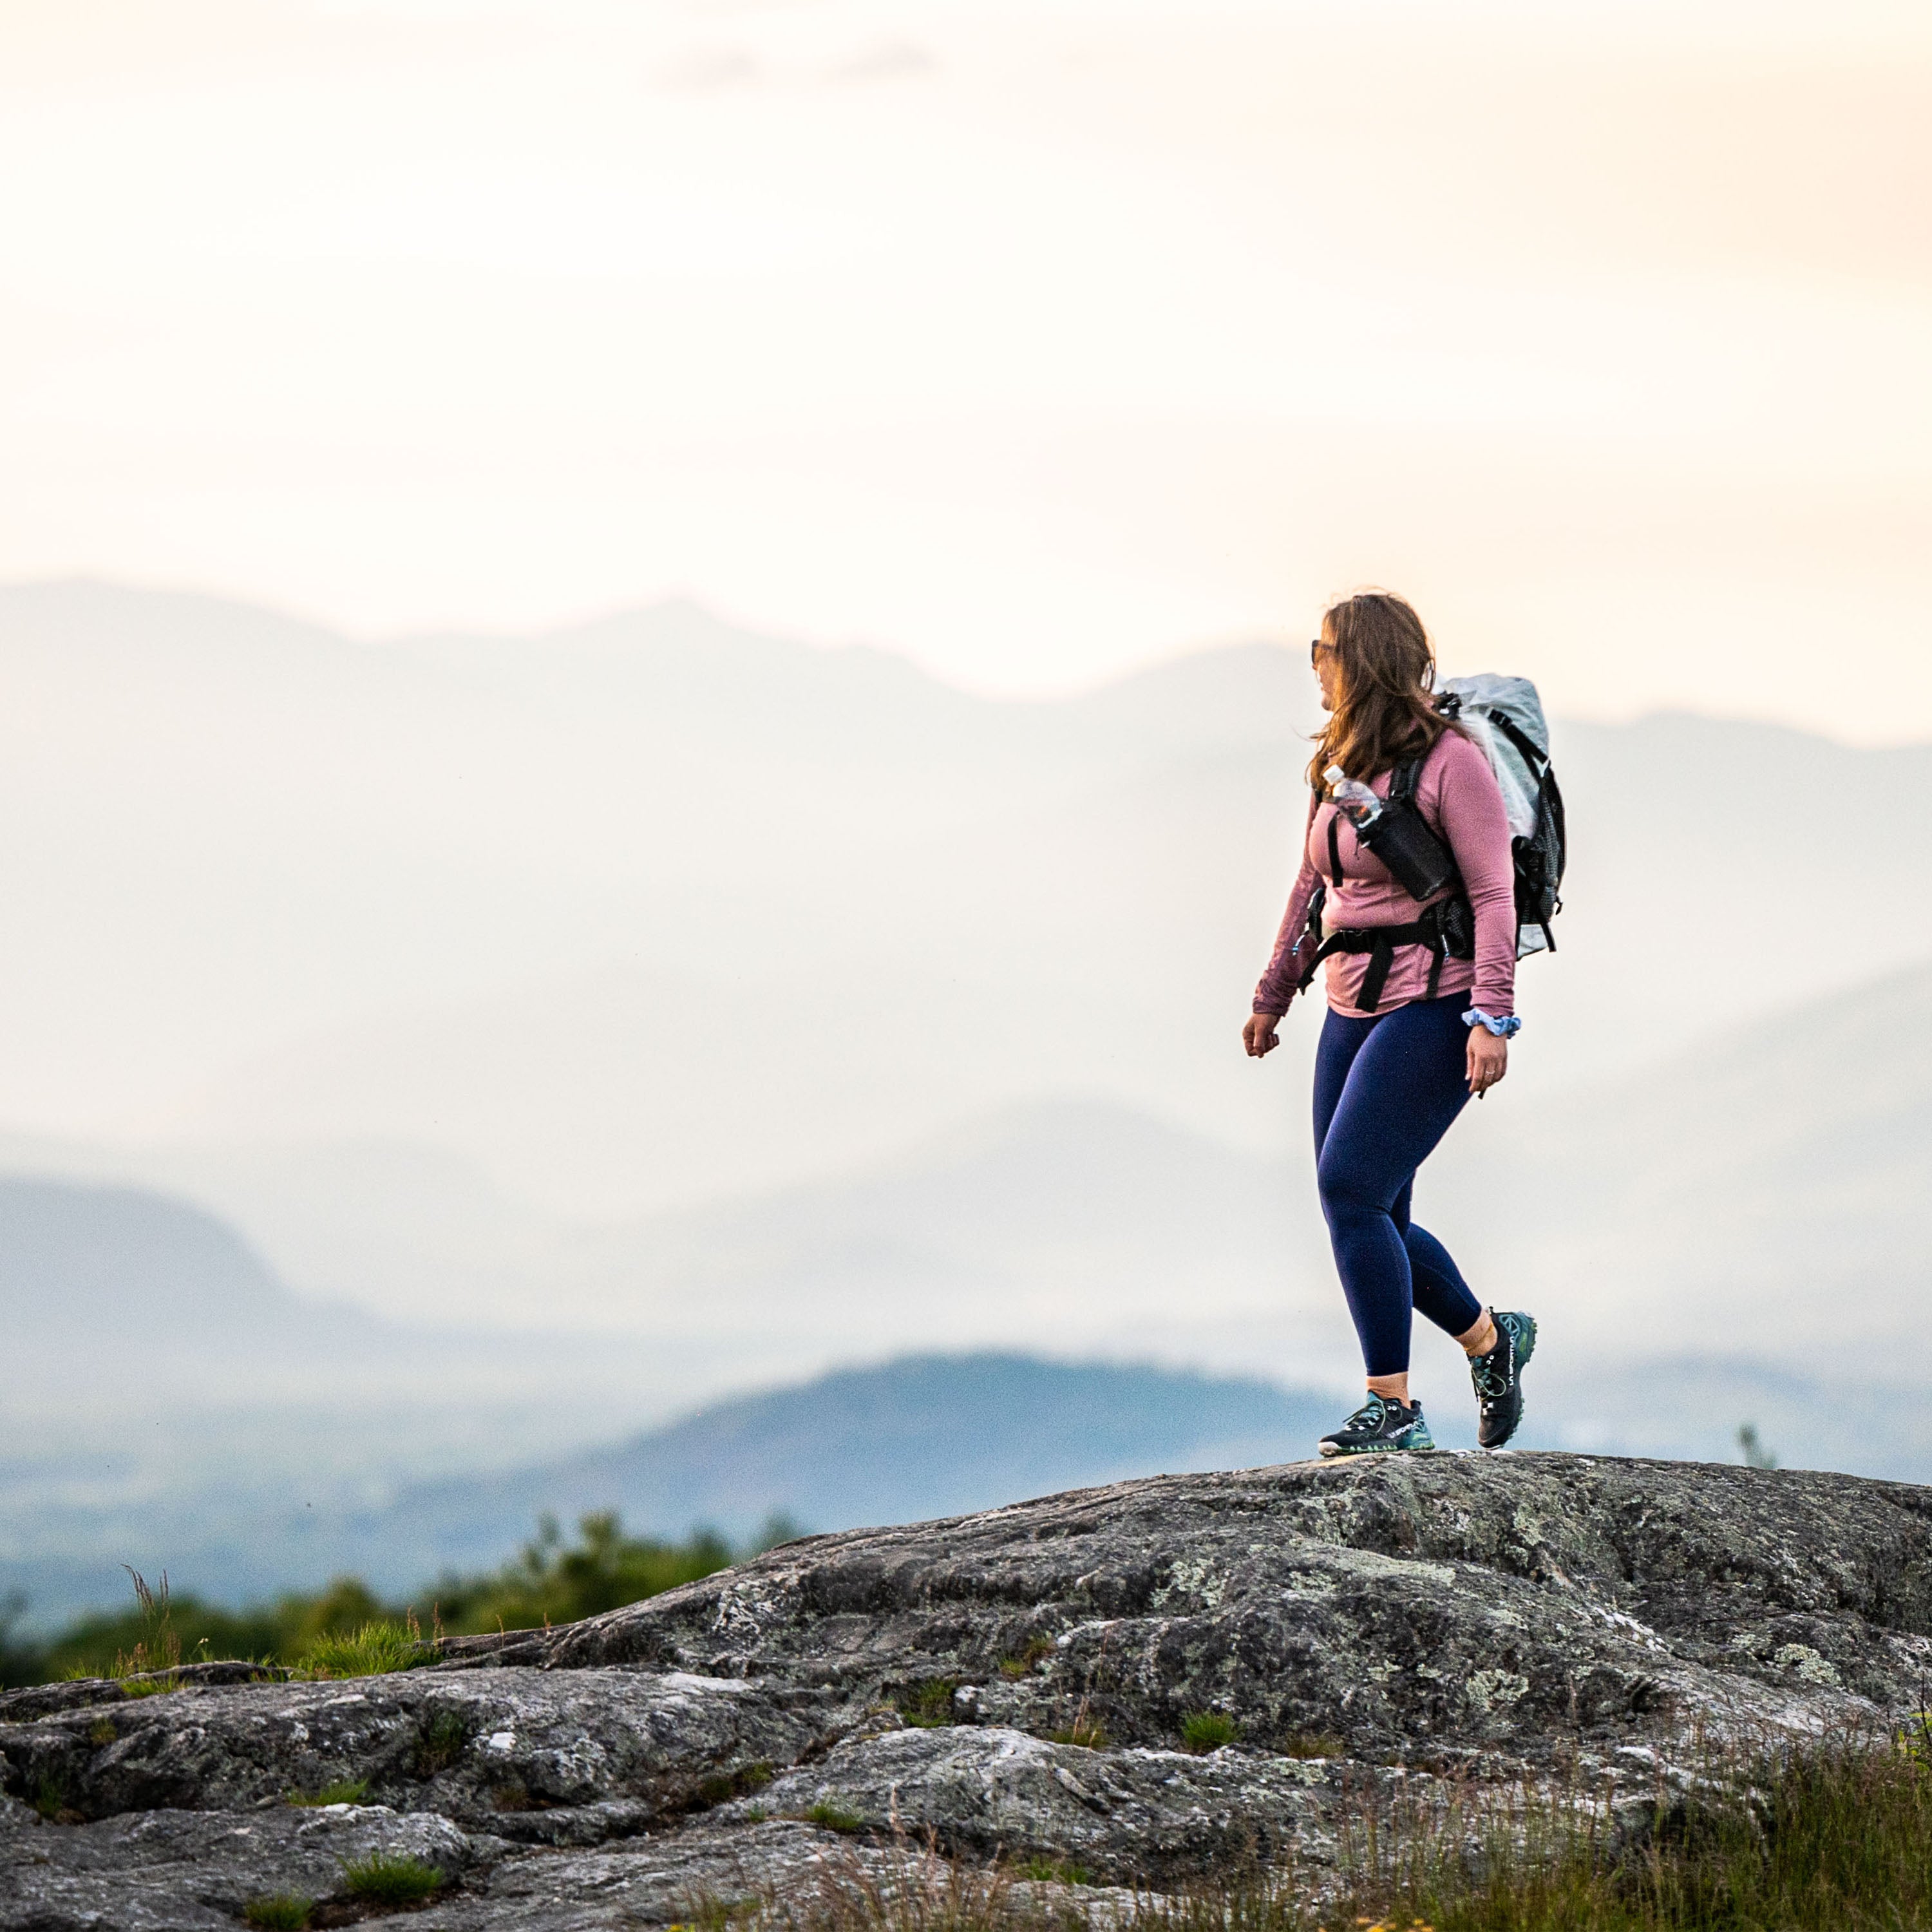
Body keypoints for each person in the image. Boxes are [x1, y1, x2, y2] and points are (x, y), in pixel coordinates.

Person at [1243, 591, 1536, 1456]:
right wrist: (1274, 990)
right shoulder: (1335, 766)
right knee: (1374, 1211)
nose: (1314, 664)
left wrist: (1493, 1018)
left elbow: (1493, 895)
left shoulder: (1454, 764)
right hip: (1347, 1003)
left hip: (1436, 1004)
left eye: (1324, 649)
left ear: (1362, 660)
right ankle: (1492, 1341)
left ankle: (1393, 1409)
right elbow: (1312, 888)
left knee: (1349, 1189)